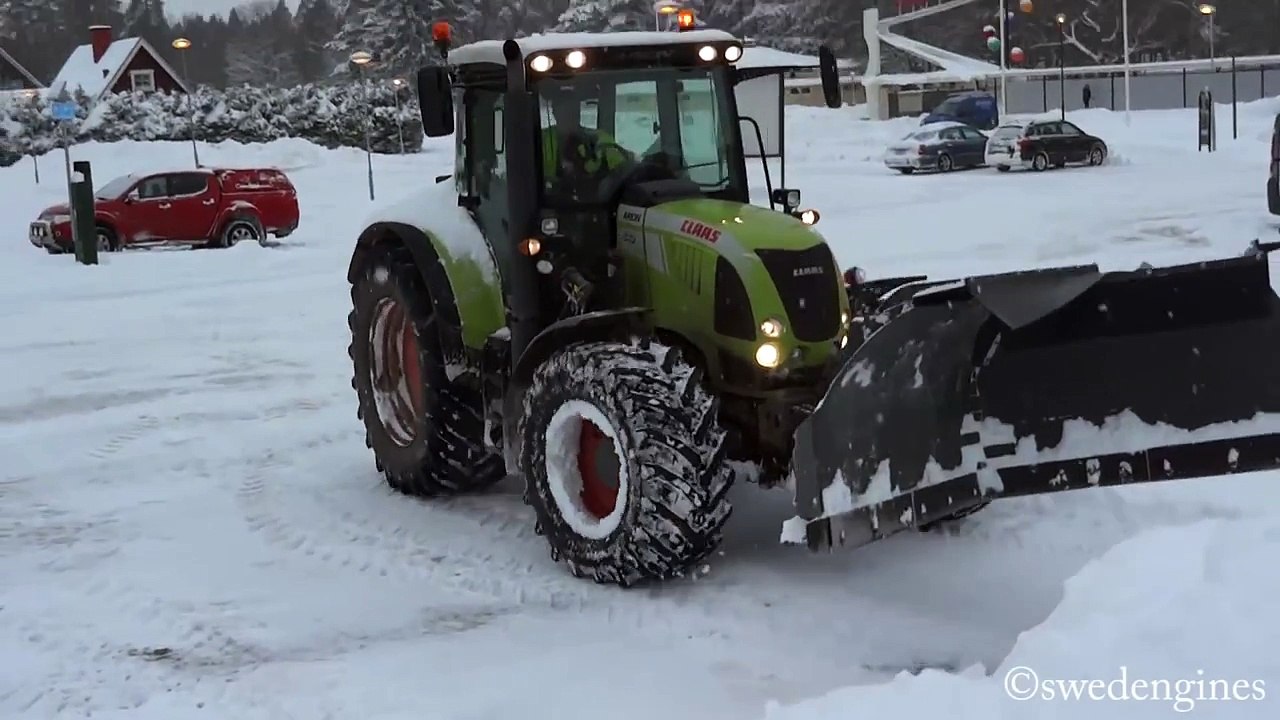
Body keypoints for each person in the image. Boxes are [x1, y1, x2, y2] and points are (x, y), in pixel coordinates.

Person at [540, 86, 631, 193]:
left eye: (574, 111)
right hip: (550, 201)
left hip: (590, 200)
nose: (571, 116)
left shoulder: (598, 138)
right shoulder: (540, 138)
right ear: (554, 112)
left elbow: (622, 167)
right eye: (565, 111)